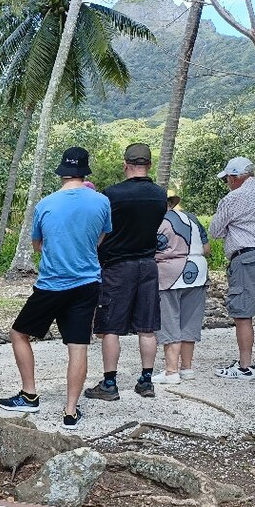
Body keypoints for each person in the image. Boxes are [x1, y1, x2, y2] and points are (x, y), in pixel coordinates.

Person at [0, 147, 111, 429]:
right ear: (85, 171)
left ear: (61, 172)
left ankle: (29, 394)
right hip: (87, 283)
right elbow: (101, 237)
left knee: (19, 333)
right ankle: (70, 411)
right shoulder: (101, 202)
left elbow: (37, 245)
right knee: (78, 345)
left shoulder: (45, 204)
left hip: (51, 283)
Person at [84, 143, 168, 402]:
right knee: (147, 326)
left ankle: (110, 383)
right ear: (149, 165)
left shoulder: (112, 194)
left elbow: (102, 230)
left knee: (111, 326)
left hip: (118, 265)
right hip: (147, 263)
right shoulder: (160, 195)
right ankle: (146, 381)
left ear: (125, 164)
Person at [208, 156, 255, 379]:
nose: (227, 183)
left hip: (248, 257)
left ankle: (244, 366)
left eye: (227, 179)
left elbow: (215, 231)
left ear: (234, 177)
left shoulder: (233, 198)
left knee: (243, 314)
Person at [151, 188, 210, 384]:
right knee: (189, 321)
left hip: (170, 274)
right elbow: (207, 248)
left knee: (169, 320)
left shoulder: (156, 221)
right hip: (198, 272)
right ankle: (187, 368)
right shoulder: (191, 217)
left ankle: (170, 371)